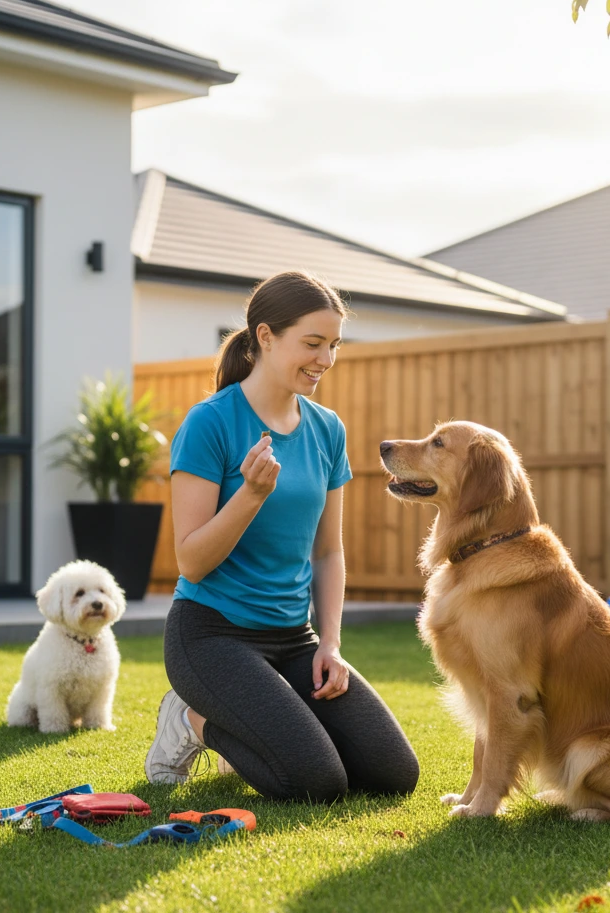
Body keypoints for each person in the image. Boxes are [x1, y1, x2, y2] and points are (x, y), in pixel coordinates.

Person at [144, 271, 420, 802]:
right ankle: (190, 719)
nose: (325, 359)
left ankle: (262, 721)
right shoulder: (211, 424)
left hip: (295, 639)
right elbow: (192, 563)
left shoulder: (327, 429)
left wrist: (332, 645)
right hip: (212, 636)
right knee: (316, 781)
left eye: (334, 345)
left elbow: (328, 550)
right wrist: (248, 495)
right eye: (312, 343)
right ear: (265, 336)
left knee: (392, 773)